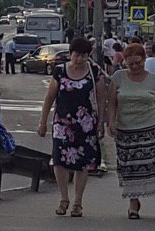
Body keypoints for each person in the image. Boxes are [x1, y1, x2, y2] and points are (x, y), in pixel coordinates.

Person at [37, 37, 106, 217]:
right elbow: (49, 97)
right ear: (70, 54)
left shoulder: (94, 71)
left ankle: (77, 202)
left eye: (84, 55)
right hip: (62, 123)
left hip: (85, 124)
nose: (80, 59)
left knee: (82, 164)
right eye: (77, 55)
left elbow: (101, 98)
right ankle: (63, 198)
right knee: (59, 161)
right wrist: (43, 122)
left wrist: (101, 123)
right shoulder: (60, 71)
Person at [105, 43, 155, 219]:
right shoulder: (118, 78)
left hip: (149, 129)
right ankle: (133, 198)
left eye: (138, 62)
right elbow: (112, 103)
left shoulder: (154, 80)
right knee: (128, 168)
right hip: (125, 130)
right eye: (130, 63)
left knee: (145, 167)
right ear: (124, 62)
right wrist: (111, 123)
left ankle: (133, 204)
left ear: (144, 60)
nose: (135, 67)